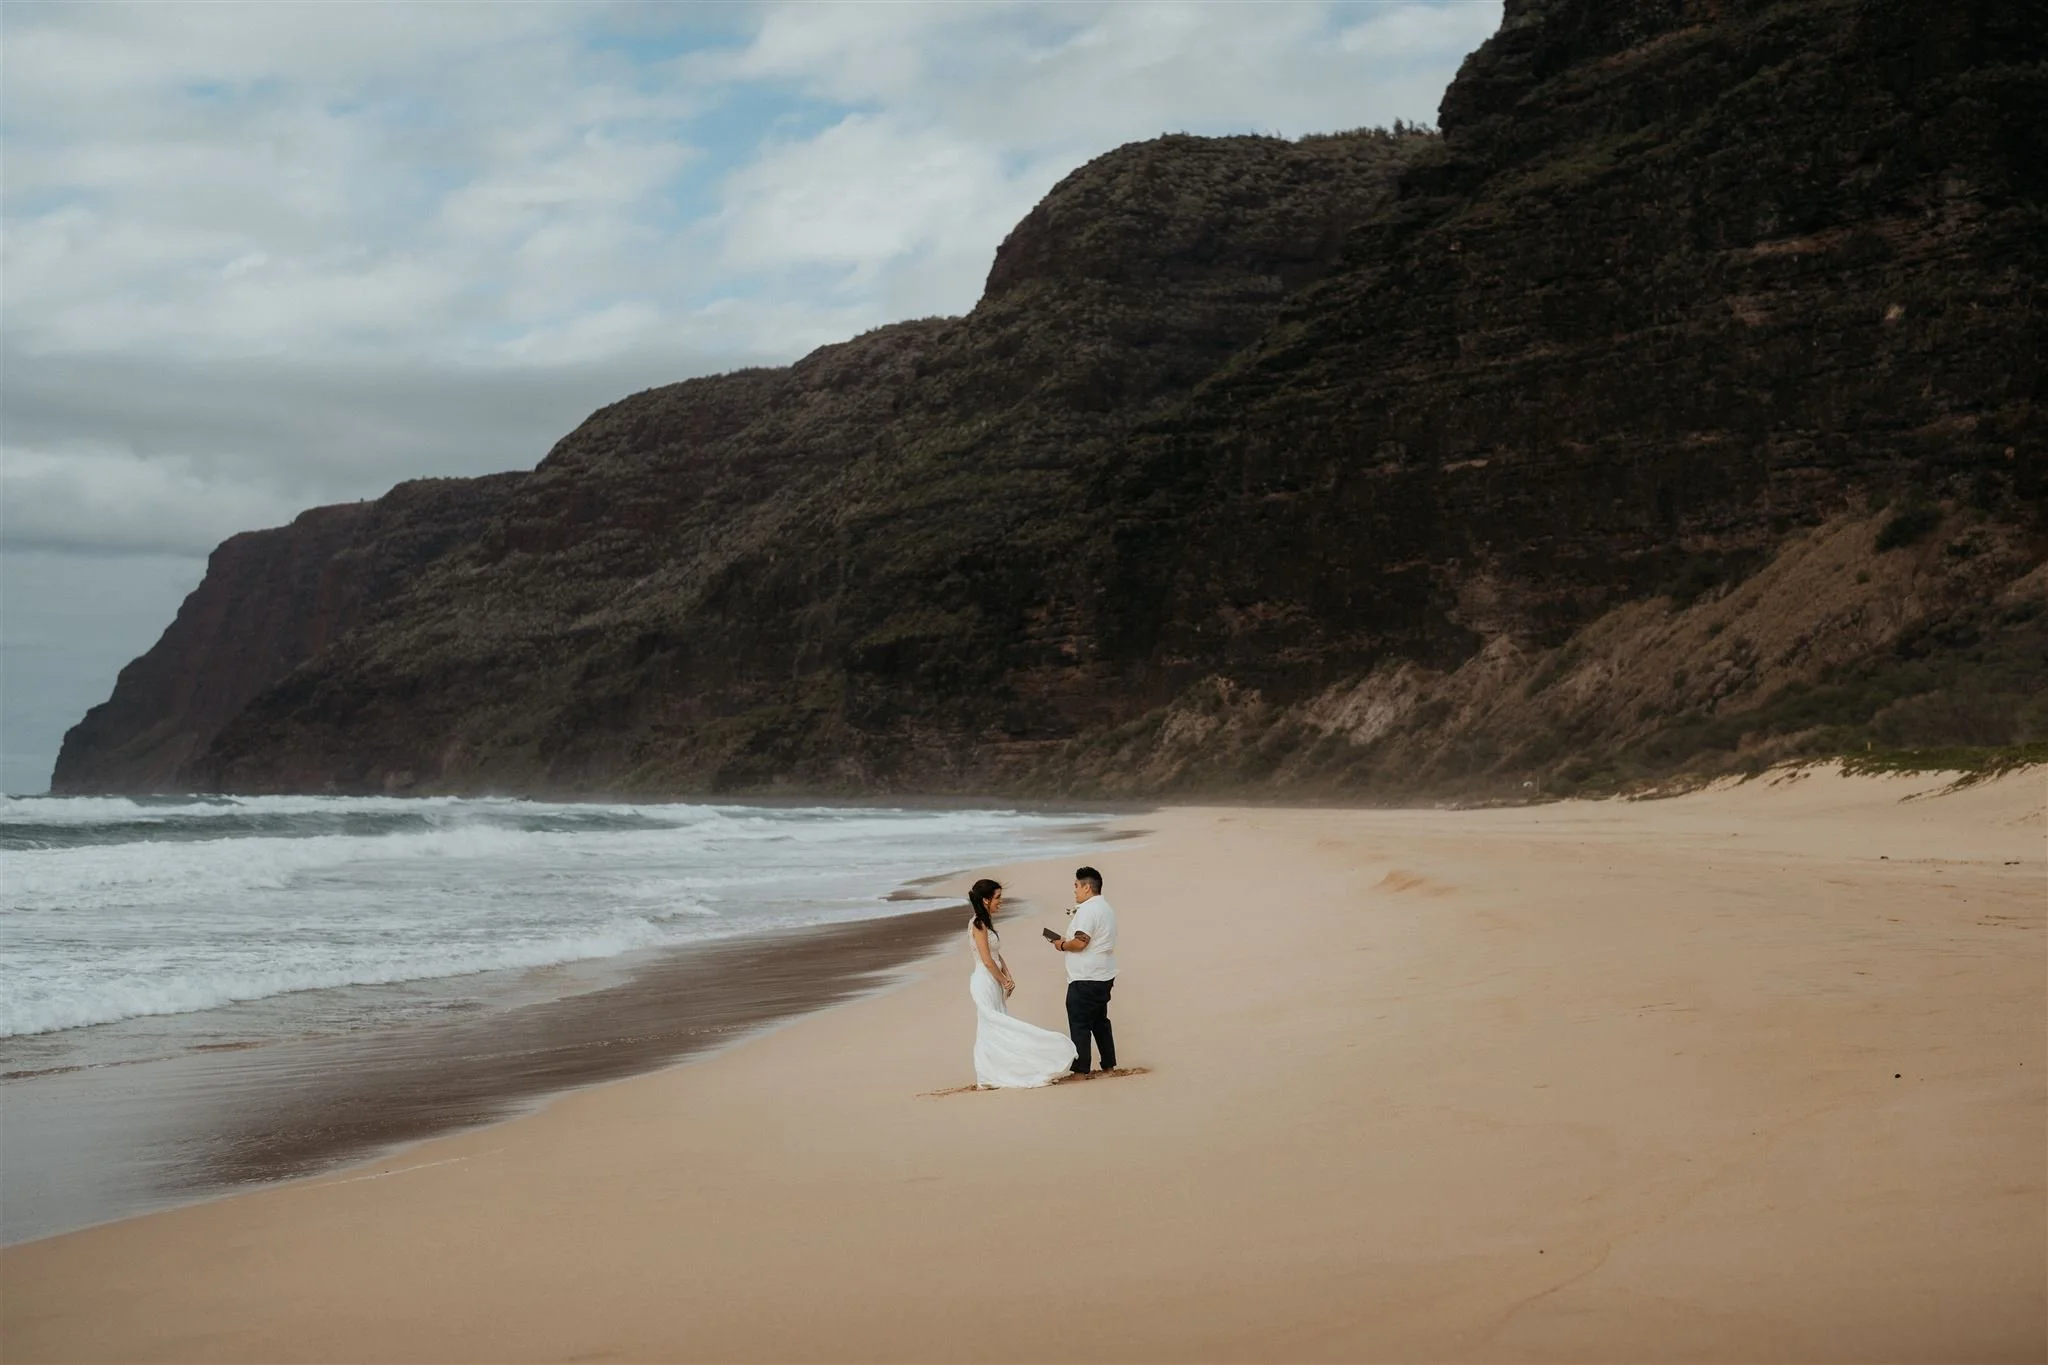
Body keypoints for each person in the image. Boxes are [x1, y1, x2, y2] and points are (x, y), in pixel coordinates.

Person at [966, 879, 1078, 1087]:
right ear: (985, 900)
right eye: (997, 897)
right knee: (992, 1023)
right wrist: (1004, 981)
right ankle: (989, 1073)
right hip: (984, 980)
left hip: (994, 980)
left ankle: (993, 1070)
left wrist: (1007, 975)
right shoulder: (978, 924)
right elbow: (987, 960)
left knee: (996, 1023)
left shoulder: (987, 922)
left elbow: (996, 955)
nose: (1001, 901)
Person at [1048, 865, 1118, 1075]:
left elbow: (1081, 942)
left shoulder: (1088, 910)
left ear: (1087, 887)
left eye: (1077, 886)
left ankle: (1081, 1070)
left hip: (1085, 977)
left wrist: (1061, 944)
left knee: (1079, 1023)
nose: (1075, 890)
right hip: (1103, 973)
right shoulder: (1106, 908)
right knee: (1099, 1021)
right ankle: (1109, 1065)